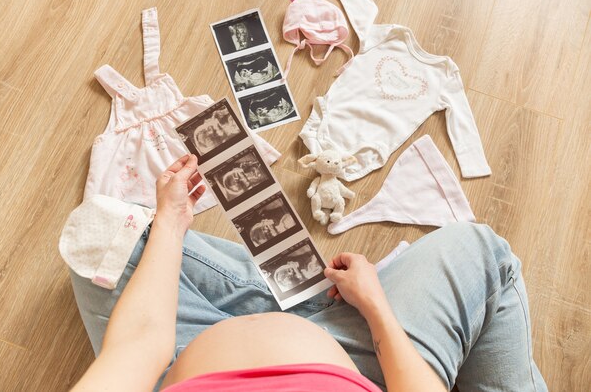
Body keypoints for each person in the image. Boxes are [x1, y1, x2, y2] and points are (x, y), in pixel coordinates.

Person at [70, 155, 547, 392]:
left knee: (103, 238)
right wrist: (377, 309)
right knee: (481, 251)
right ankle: (309, 306)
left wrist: (171, 223)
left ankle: (291, 302)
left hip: (176, 362)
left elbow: (138, 345)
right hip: (366, 366)